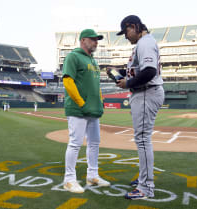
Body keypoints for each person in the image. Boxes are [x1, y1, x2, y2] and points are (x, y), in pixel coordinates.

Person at [112, 15, 164, 200]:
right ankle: (144, 179)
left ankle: (146, 187)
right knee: (142, 138)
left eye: (126, 31)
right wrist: (119, 74)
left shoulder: (145, 43)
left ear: (134, 26)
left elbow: (149, 71)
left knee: (142, 139)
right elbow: (139, 70)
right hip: (143, 92)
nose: (125, 36)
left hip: (146, 92)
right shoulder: (142, 44)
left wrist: (128, 84)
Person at [62, 29, 110, 193]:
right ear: (83, 40)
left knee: (94, 143)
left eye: (97, 40)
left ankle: (92, 176)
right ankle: (69, 180)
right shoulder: (73, 56)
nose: (96, 42)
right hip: (78, 109)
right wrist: (81, 103)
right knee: (75, 144)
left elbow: (96, 85)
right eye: (93, 39)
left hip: (93, 109)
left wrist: (100, 101)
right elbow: (68, 81)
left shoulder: (93, 61)